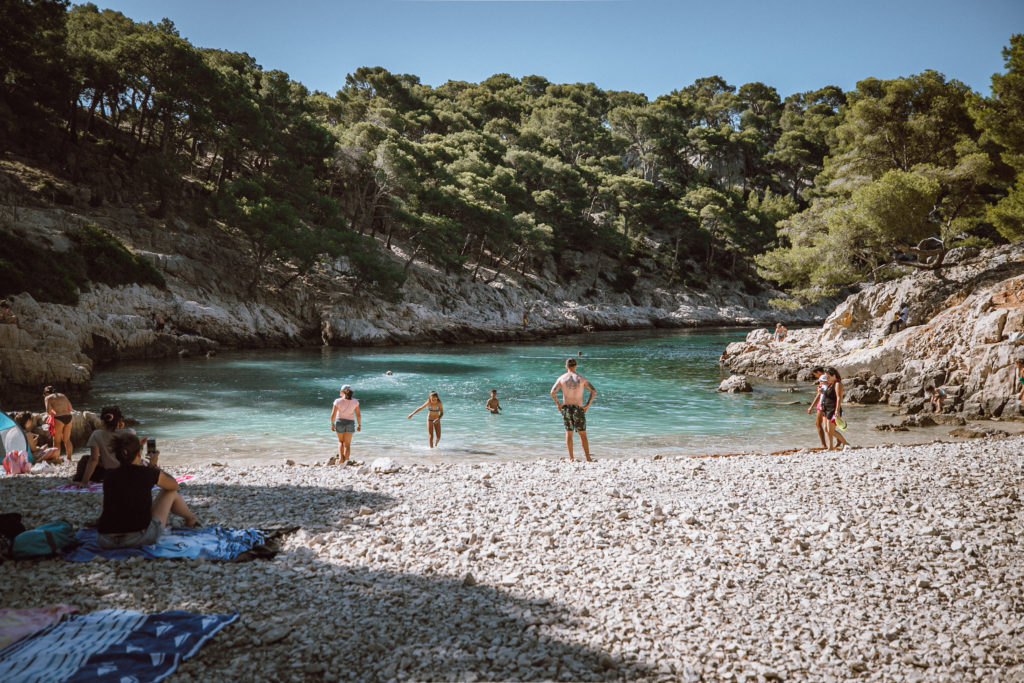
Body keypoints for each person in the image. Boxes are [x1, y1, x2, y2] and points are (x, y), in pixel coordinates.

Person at [95, 432, 199, 549]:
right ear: (139, 453)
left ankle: (191, 518)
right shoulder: (147, 473)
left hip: (106, 540)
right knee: (170, 493)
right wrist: (153, 466)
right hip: (139, 538)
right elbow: (173, 485)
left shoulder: (109, 475)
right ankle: (191, 519)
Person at [550, 358, 597, 462]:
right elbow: (594, 391)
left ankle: (571, 458)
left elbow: (552, 392)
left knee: (569, 432)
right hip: (578, 408)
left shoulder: (561, 378)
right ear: (576, 366)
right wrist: (587, 405)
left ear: (566, 367)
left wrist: (558, 404)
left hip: (566, 408)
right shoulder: (581, 379)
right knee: (582, 433)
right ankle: (588, 458)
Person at [76, 406, 136, 485]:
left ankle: (79, 480)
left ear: (103, 421)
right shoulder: (130, 433)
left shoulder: (96, 434)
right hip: (126, 472)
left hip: (108, 473)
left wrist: (84, 482)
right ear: (120, 421)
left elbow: (94, 460)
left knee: (85, 459)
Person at [820, 367, 850, 451]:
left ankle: (845, 443)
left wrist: (837, 410)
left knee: (831, 430)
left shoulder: (837, 384)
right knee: (826, 429)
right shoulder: (829, 384)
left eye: (828, 377)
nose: (827, 379)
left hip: (833, 409)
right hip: (826, 408)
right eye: (826, 377)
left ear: (834, 376)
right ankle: (830, 447)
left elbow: (839, 398)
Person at [330, 384, 361, 464]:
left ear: (342, 392)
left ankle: (341, 459)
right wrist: (359, 425)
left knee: (340, 441)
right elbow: (358, 415)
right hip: (350, 422)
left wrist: (332, 424)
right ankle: (346, 461)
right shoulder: (355, 401)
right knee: (347, 444)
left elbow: (333, 414)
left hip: (339, 421)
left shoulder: (337, 401)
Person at [44, 386, 74, 463]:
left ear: (46, 393)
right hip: (68, 417)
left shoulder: (48, 398)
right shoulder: (63, 395)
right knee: (67, 440)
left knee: (57, 441)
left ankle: (57, 459)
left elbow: (48, 411)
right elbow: (70, 408)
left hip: (58, 418)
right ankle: (69, 459)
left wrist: (54, 412)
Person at [806, 366, 829, 449]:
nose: (815, 376)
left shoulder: (823, 380)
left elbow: (819, 395)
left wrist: (811, 407)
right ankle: (837, 440)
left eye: (815, 374)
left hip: (822, 404)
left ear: (818, 372)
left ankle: (823, 444)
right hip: (827, 403)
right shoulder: (828, 378)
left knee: (818, 424)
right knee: (827, 425)